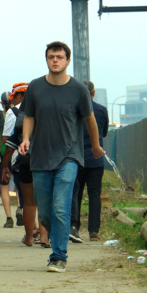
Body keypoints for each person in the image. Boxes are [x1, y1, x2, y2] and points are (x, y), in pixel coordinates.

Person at [19, 41, 104, 273]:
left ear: (68, 61)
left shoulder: (79, 89)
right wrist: (25, 138)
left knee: (60, 207)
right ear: (46, 60)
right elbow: (29, 116)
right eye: (51, 57)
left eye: (59, 57)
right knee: (46, 213)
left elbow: (90, 120)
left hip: (69, 156)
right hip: (40, 157)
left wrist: (95, 146)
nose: (55, 60)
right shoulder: (35, 87)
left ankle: (58, 256)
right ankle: (57, 238)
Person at [3, 105, 49, 248]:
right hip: (45, 165)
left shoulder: (21, 126)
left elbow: (9, 148)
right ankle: (44, 237)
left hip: (26, 164)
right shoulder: (47, 124)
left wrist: (4, 166)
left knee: (29, 203)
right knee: (44, 202)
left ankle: (29, 238)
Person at [70, 80, 109, 243]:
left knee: (75, 194)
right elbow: (104, 133)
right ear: (93, 94)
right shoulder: (101, 110)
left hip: (77, 158)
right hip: (96, 159)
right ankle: (93, 231)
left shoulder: (73, 110)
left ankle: (74, 227)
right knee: (94, 195)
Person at [2, 83, 29, 227]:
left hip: (20, 159)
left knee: (25, 194)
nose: (12, 100)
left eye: (14, 97)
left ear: (19, 96)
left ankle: (30, 230)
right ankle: (42, 231)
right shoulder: (40, 108)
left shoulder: (12, 112)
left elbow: (6, 139)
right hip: (41, 159)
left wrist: (4, 165)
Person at [0, 91, 14, 219]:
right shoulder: (18, 114)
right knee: (21, 185)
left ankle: (9, 217)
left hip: (2, 155)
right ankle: (20, 208)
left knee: (4, 186)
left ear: (1, 103)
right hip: (18, 153)